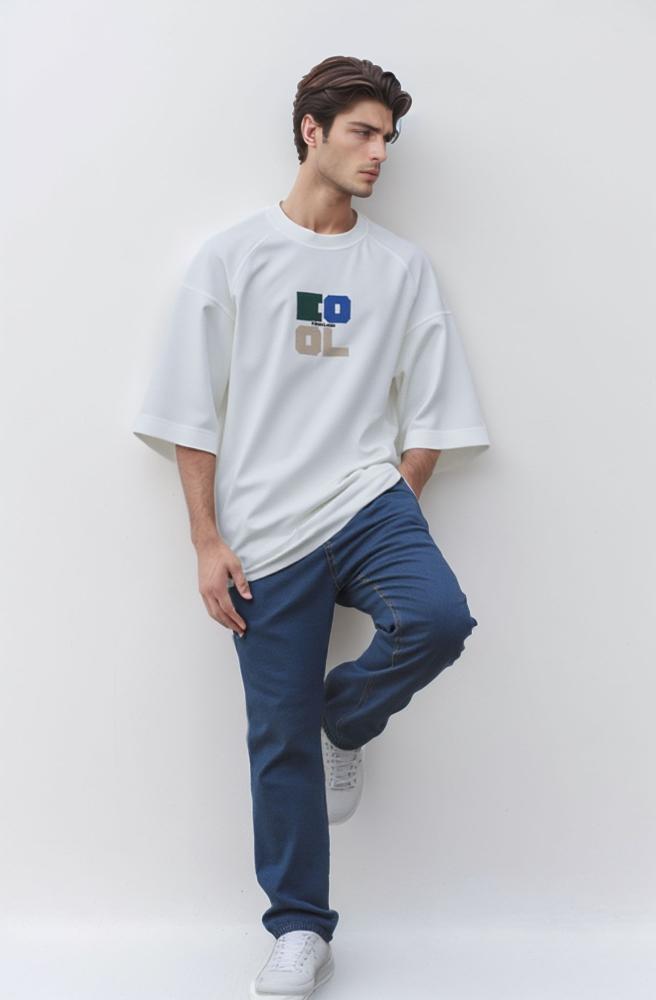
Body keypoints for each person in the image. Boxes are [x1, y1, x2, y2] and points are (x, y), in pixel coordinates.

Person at [132, 54, 490, 1000]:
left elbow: (435, 412)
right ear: (311, 131)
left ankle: (349, 716)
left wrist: (397, 496)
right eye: (363, 132)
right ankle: (299, 928)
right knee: (277, 737)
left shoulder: (401, 267)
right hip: (263, 532)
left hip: (369, 504)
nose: (379, 153)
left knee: (438, 619)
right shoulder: (232, 257)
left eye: (388, 138)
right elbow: (189, 413)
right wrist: (206, 541)